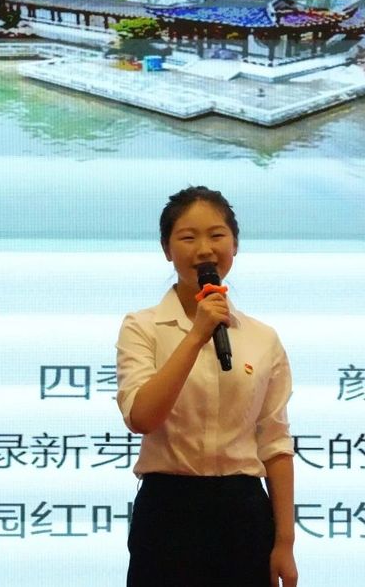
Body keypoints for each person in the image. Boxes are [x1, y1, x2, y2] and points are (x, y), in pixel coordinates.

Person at [116, 186, 298, 587]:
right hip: (168, 511)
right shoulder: (142, 327)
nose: (204, 249)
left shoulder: (263, 338)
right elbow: (142, 417)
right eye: (187, 237)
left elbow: (275, 443)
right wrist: (197, 333)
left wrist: (285, 542)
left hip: (244, 512)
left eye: (217, 235)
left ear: (235, 244)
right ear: (166, 249)